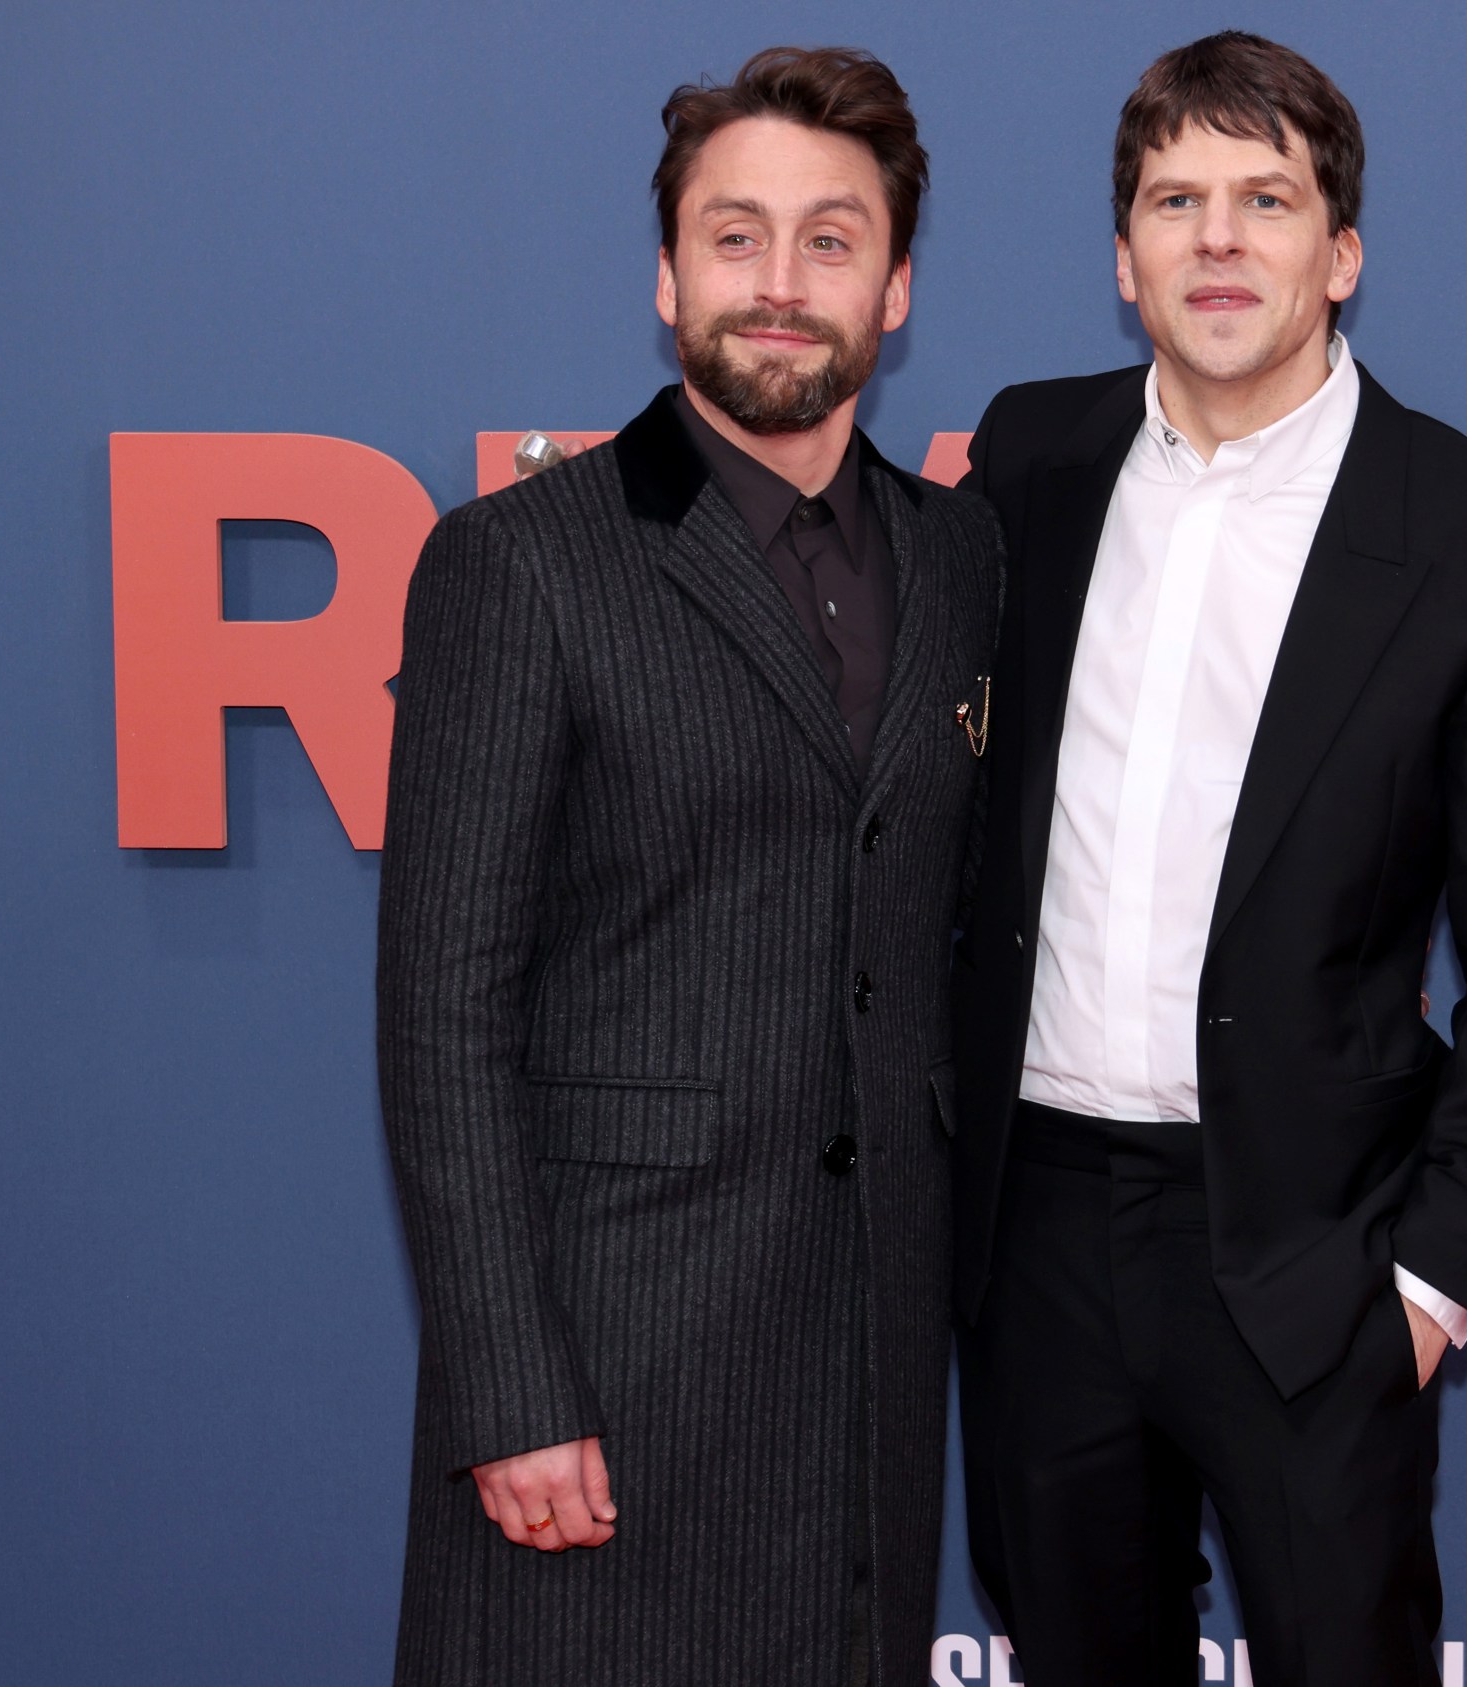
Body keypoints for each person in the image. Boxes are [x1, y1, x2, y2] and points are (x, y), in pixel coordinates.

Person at [950, 31, 1467, 1686]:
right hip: (1036, 1237)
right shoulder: (1023, 461)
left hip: (1316, 1254)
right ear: (1124, 257)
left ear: (1344, 254)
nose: (1220, 239)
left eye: (1267, 198)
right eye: (1177, 200)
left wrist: (1432, 1288)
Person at [376, 45, 1001, 1687]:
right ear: (667, 278)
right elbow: (443, 1016)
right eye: (736, 237)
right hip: (607, 1370)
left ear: (897, 286)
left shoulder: (958, 557)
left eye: (829, 239)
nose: (780, 286)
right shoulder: (520, 566)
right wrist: (511, 1387)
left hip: (868, 1376)